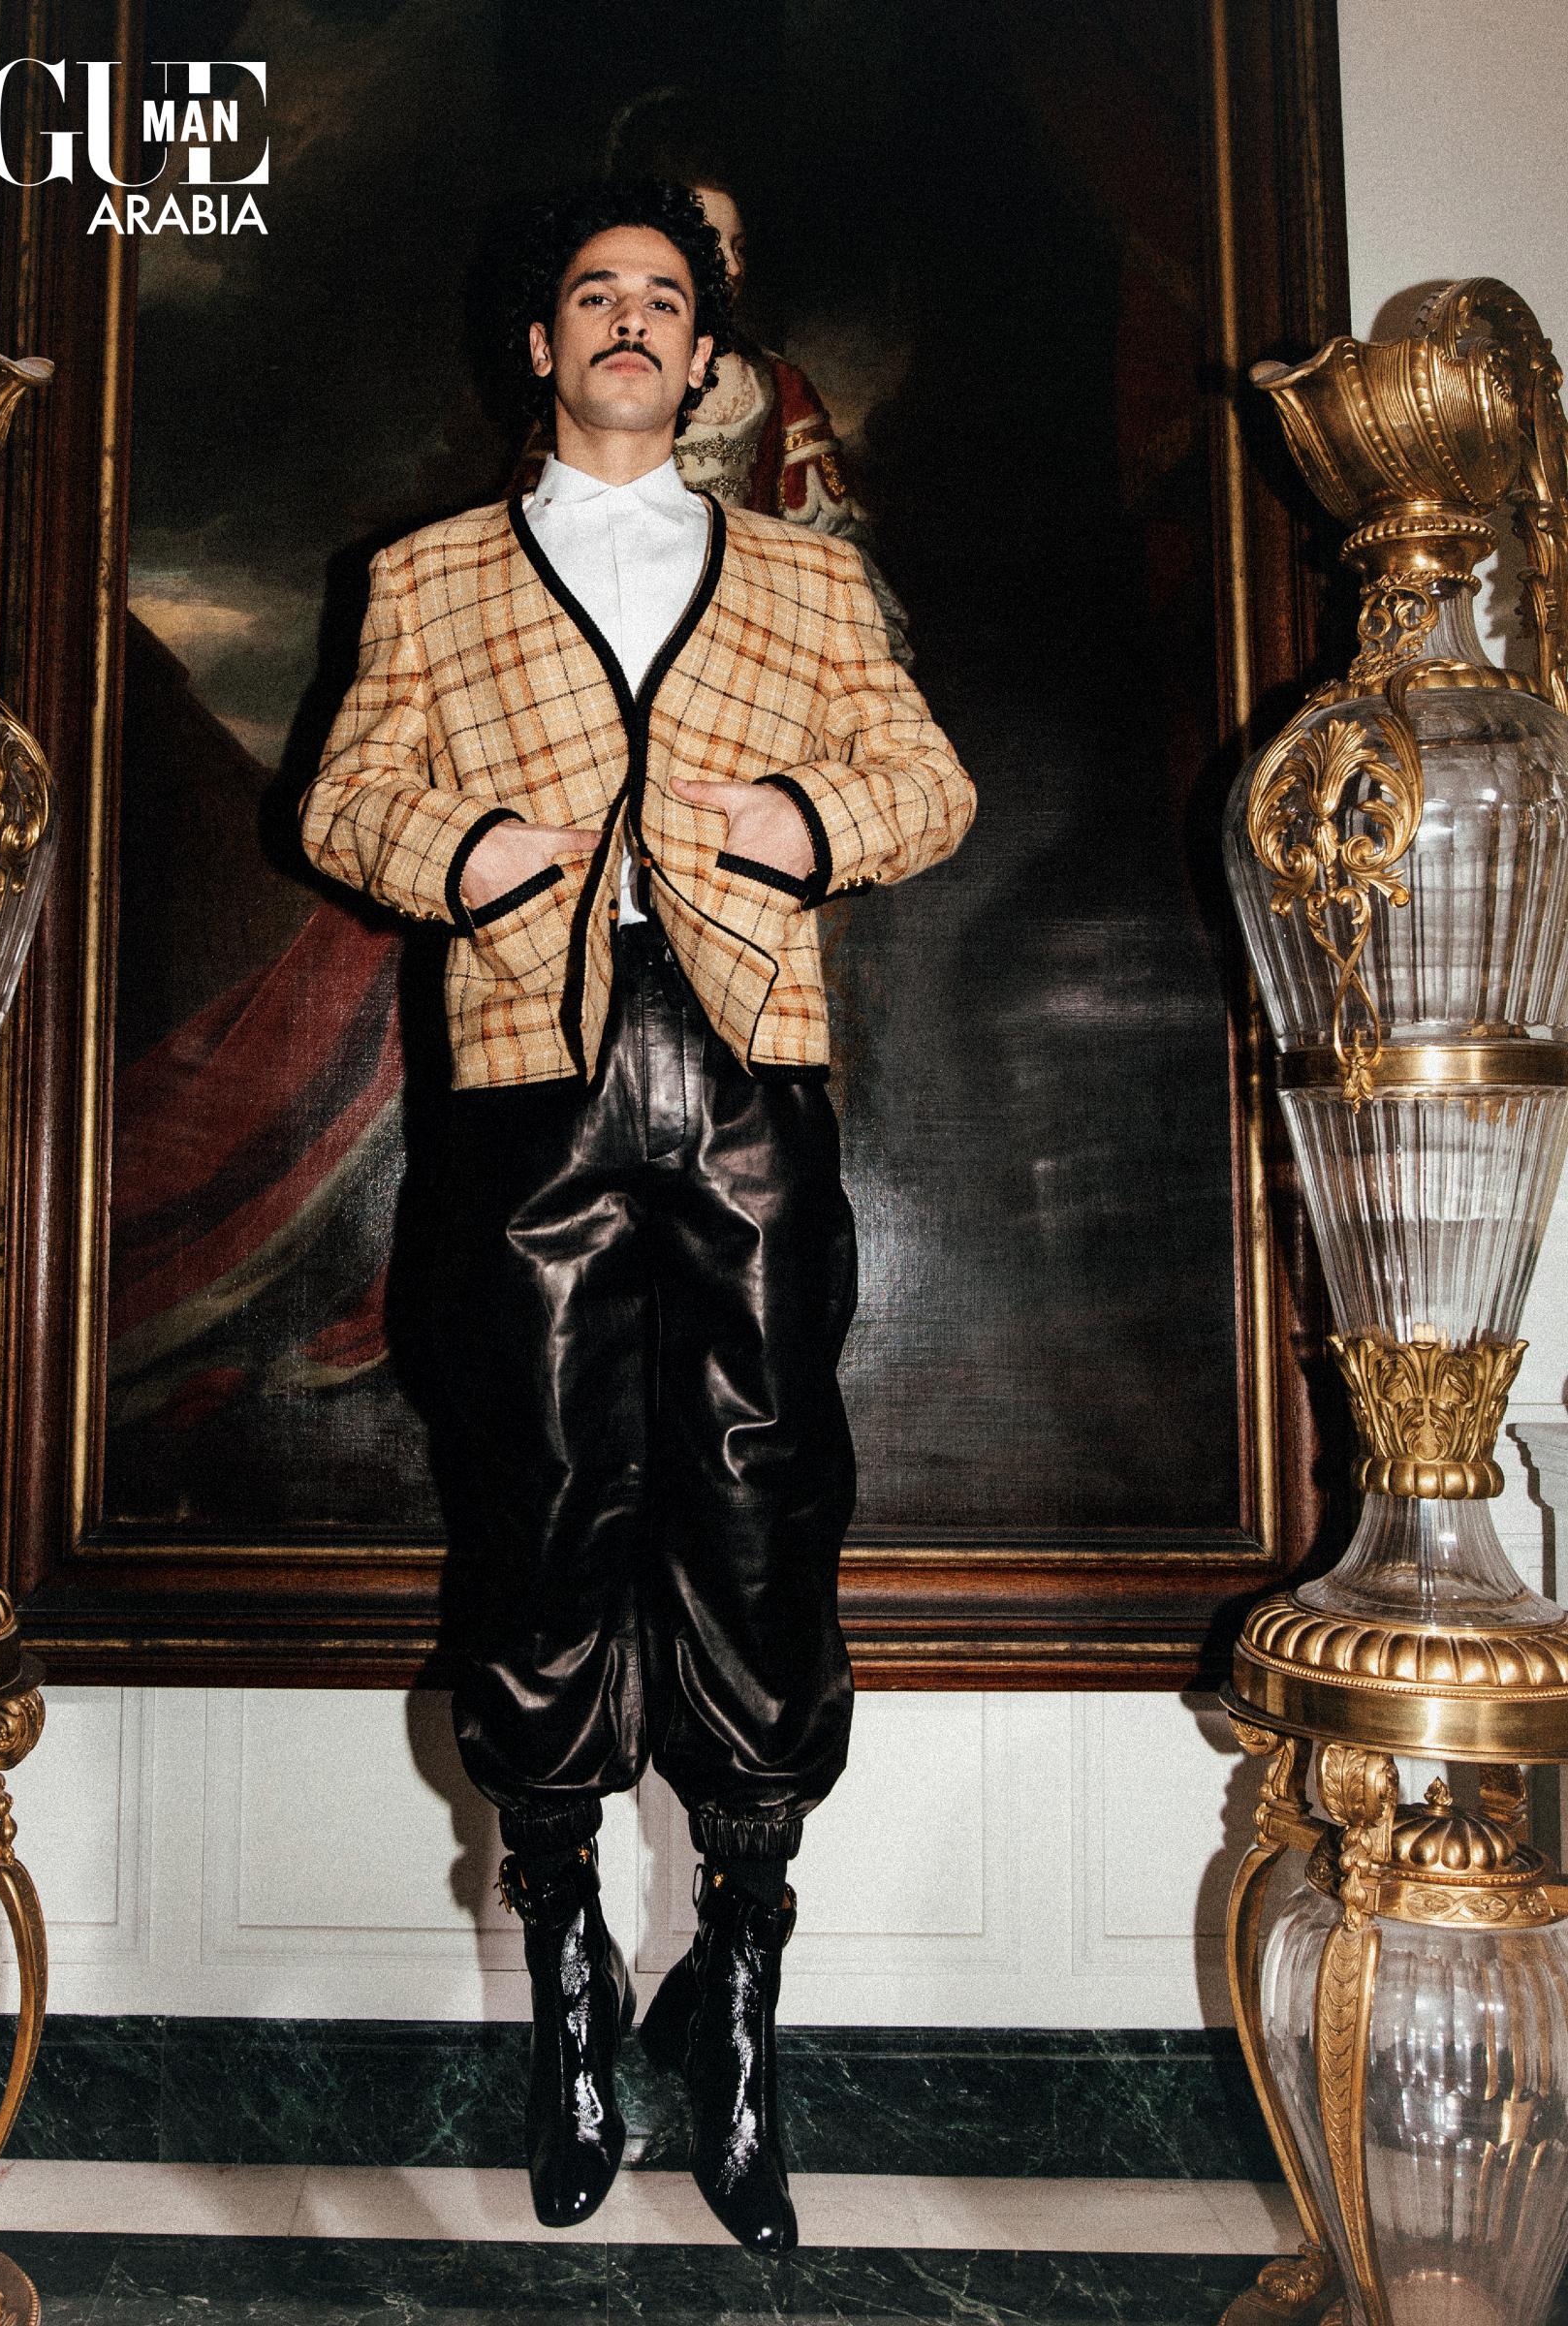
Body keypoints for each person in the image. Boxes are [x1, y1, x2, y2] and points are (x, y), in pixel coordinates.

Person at [300, 177, 974, 2251]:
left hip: (753, 1085)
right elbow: (342, 797)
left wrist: (806, 819)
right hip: (527, 1098)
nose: (624, 324)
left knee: (766, 1511)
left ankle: (743, 2002)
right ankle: (571, 1986)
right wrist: (469, 853)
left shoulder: (807, 575)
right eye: (592, 296)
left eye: (660, 302)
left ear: (703, 358)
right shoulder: (424, 575)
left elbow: (929, 784)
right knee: (540, 1507)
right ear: (544, 344)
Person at [513, 93, 914, 662]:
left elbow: (832, 539)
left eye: (738, 246)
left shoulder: (774, 386)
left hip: (754, 637)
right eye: (708, 243)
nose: (729, 265)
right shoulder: (594, 383)